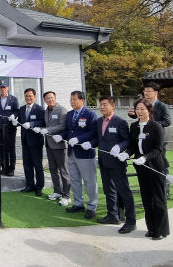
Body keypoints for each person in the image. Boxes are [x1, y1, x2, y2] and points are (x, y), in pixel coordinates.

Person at [123, 98, 170, 240]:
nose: (139, 112)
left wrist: (145, 157)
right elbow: (132, 144)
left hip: (155, 167)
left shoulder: (156, 126)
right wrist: (126, 153)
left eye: (142, 109)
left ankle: (161, 230)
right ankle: (151, 229)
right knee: (146, 198)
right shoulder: (134, 126)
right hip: (141, 167)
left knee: (158, 198)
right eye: (137, 109)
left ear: (149, 110)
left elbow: (158, 149)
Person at [95, 95, 136, 234]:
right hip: (103, 161)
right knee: (108, 190)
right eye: (101, 105)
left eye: (105, 104)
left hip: (117, 162)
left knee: (124, 191)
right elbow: (99, 139)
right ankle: (112, 215)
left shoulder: (120, 122)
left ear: (113, 106)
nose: (102, 107)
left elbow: (127, 140)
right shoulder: (99, 121)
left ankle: (131, 221)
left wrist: (119, 147)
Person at [63, 90, 99, 219]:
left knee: (89, 181)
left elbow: (94, 132)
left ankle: (92, 206)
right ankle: (78, 203)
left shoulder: (90, 114)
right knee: (74, 179)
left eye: (74, 99)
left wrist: (80, 139)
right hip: (72, 152)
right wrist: (60, 136)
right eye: (71, 99)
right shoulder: (69, 114)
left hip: (85, 153)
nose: (72, 102)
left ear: (82, 100)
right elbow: (68, 131)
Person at [42, 91, 70, 206]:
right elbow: (46, 124)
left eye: (51, 97)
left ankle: (66, 195)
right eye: (47, 98)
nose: (50, 100)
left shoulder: (62, 110)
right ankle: (57, 191)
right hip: (49, 144)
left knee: (64, 170)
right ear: (45, 100)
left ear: (55, 98)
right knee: (53, 169)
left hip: (59, 145)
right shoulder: (46, 111)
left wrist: (48, 130)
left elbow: (62, 126)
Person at [17, 88, 46, 195]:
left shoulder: (39, 109)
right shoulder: (22, 108)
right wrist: (14, 121)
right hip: (25, 140)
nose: (28, 98)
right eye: (26, 96)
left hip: (36, 141)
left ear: (35, 96)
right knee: (27, 164)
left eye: (30, 96)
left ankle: (39, 187)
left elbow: (42, 121)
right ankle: (30, 185)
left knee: (37, 165)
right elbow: (20, 120)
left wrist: (32, 124)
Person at [0, 79, 20, 176]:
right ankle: (3, 167)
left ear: (8, 88)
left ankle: (11, 169)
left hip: (10, 127)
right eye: (1, 87)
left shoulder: (13, 99)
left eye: (4, 87)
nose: (2, 89)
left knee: (10, 148)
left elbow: (17, 111)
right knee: (1, 148)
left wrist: (13, 115)